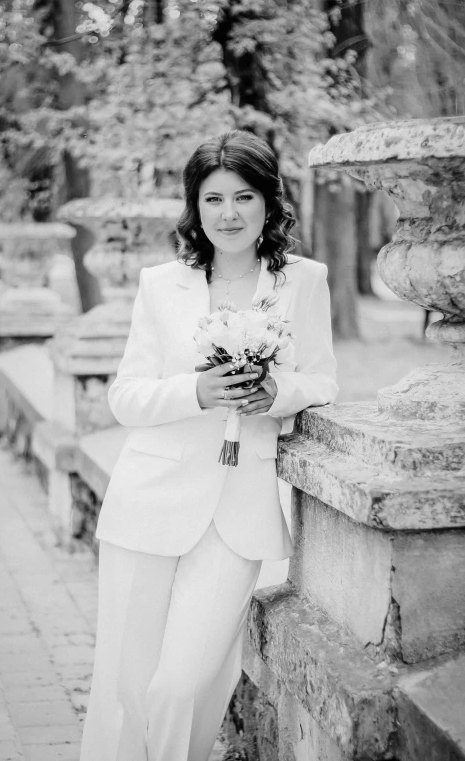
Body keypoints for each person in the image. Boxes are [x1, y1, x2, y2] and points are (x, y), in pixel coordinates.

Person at [79, 130, 338, 761]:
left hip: (238, 512)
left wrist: (275, 391)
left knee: (182, 683)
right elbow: (126, 397)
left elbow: (324, 380)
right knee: (126, 686)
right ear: (195, 208)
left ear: (269, 203)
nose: (228, 214)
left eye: (243, 197)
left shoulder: (303, 281)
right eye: (213, 198)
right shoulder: (160, 284)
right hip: (150, 500)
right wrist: (196, 391)